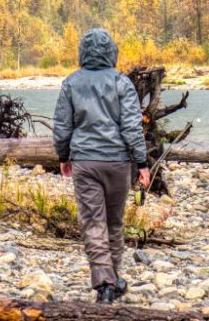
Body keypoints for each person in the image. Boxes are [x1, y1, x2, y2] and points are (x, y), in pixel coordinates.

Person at [52, 28, 150, 304]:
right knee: (114, 223)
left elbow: (62, 125)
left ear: (82, 51)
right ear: (112, 52)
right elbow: (131, 127)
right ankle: (112, 281)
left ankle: (105, 283)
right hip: (118, 163)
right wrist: (141, 163)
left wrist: (63, 156)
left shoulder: (71, 82)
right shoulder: (121, 82)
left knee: (93, 223)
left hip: (85, 161)